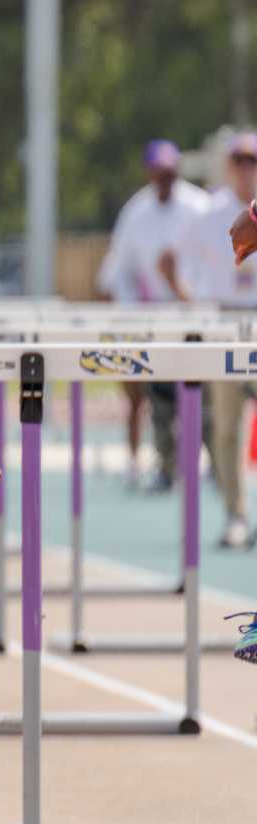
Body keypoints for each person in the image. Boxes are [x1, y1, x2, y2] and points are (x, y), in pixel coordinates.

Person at [162, 132, 257, 547]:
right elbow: (169, 259)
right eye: (239, 161)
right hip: (223, 319)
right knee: (225, 426)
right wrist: (190, 301)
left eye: (252, 161)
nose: (245, 168)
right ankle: (236, 513)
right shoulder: (209, 212)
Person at [98, 141, 208, 490]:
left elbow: (213, 264)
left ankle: (205, 463)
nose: (165, 180)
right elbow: (118, 273)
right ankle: (160, 461)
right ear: (149, 173)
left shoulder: (198, 207)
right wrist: (134, 316)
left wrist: (191, 295)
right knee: (153, 395)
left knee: (203, 398)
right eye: (160, 173)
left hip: (196, 312)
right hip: (152, 318)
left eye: (171, 173)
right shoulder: (135, 213)